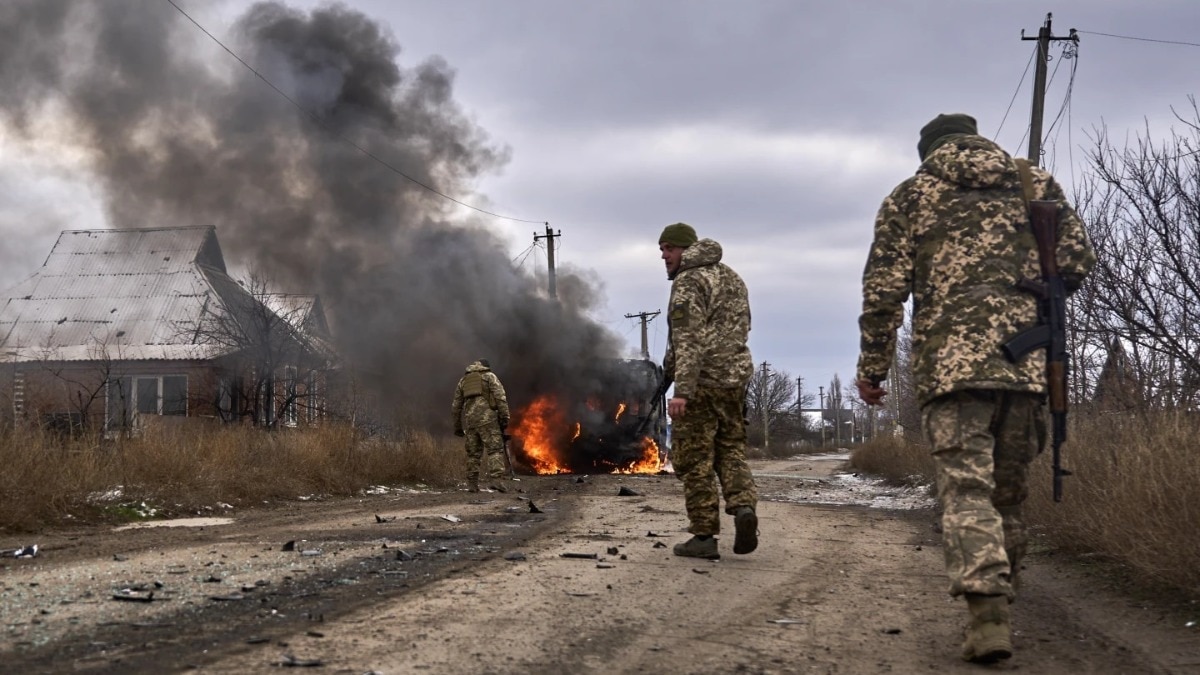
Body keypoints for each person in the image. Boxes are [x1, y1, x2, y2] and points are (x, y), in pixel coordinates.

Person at [855, 113, 1095, 663]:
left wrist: (873, 369)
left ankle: (988, 615)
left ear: (928, 152)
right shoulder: (1034, 183)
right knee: (1008, 495)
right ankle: (1003, 601)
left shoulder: (911, 195)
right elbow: (1079, 261)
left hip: (951, 372)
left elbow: (884, 292)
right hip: (1029, 368)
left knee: (966, 491)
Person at [658, 222, 759, 560]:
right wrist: (667, 372)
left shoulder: (689, 281)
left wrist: (681, 390)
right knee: (730, 449)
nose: (664, 255)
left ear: (686, 249)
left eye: (669, 248)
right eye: (661, 249)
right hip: (735, 382)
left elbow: (688, 340)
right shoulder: (731, 277)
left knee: (694, 460)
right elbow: (741, 328)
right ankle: (743, 507)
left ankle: (704, 536)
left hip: (701, 384)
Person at [451, 359, 511, 493]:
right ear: (486, 367)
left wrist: (458, 427)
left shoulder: (464, 380)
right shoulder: (490, 376)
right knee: (495, 450)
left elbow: (456, 406)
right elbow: (500, 397)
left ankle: (472, 484)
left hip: (471, 422)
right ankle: (496, 481)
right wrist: (505, 416)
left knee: (473, 454)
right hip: (488, 420)